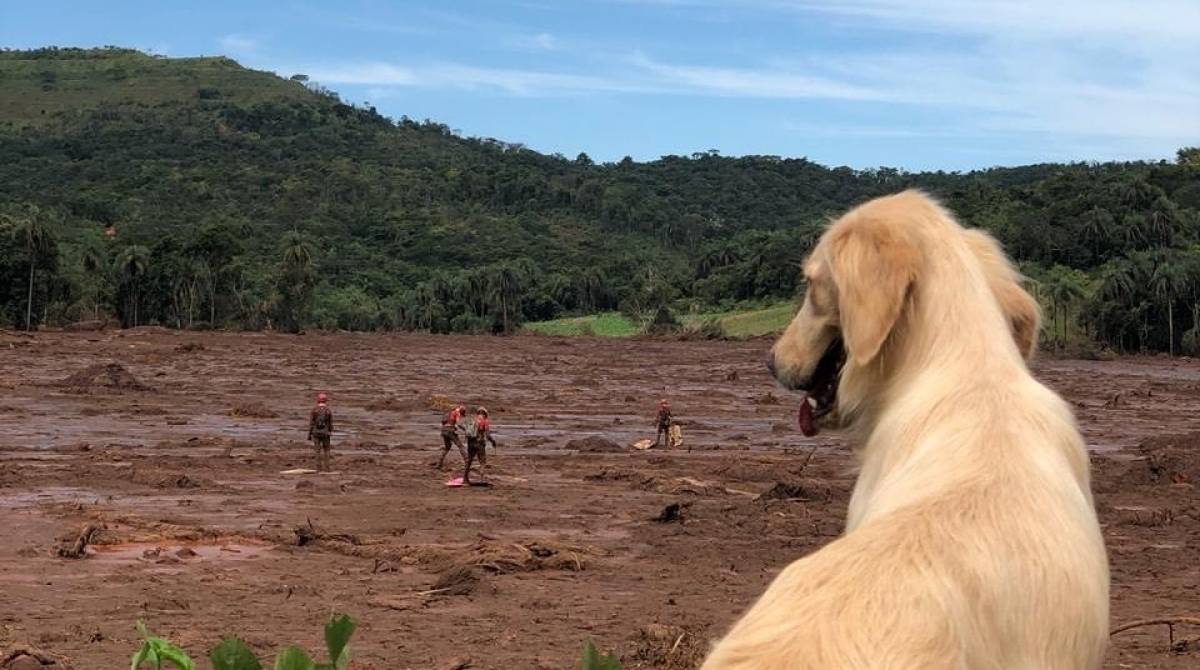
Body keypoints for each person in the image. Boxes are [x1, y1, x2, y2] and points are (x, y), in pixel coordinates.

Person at [462, 406, 498, 485]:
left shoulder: (472, 420)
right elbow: (488, 435)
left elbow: (465, 429)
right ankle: (481, 479)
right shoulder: (485, 421)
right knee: (482, 462)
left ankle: (465, 479)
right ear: (485, 414)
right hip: (479, 443)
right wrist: (493, 442)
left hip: (470, 443)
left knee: (469, 461)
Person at [307, 392, 334, 472]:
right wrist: (330, 432)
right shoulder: (328, 411)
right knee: (327, 450)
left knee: (317, 450)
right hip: (325, 433)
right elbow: (330, 423)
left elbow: (311, 423)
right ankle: (327, 468)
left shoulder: (314, 410)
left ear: (318, 401)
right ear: (325, 401)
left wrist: (309, 434)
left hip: (315, 433)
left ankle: (318, 468)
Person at [436, 404, 468, 470]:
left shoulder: (448, 413)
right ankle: (467, 462)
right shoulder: (457, 413)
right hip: (450, 431)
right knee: (460, 446)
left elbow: (444, 422)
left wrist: (453, 426)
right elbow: (459, 424)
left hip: (444, 430)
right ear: (462, 411)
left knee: (447, 447)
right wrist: (466, 430)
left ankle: (439, 463)